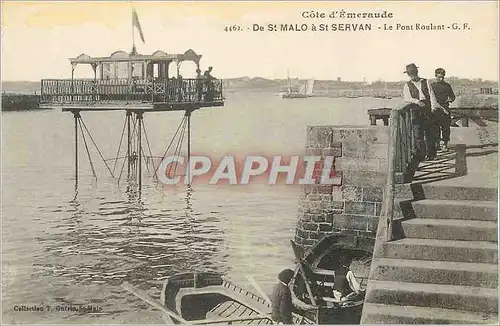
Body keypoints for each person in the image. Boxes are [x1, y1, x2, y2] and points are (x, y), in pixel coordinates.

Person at [403, 63, 440, 161]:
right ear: (408, 75)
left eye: (413, 73)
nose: (412, 76)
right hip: (416, 109)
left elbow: (432, 95)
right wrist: (416, 101)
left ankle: (432, 154)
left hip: (427, 108)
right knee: (418, 133)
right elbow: (407, 98)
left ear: (417, 72)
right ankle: (421, 155)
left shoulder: (425, 82)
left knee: (430, 132)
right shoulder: (407, 85)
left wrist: (433, 107)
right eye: (410, 74)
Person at [431, 68, 456, 151]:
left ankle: (445, 144)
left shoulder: (447, 86)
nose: (441, 79)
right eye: (439, 77)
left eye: (442, 77)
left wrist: (450, 99)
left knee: (446, 128)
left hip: (445, 108)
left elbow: (453, 96)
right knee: (435, 128)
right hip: (435, 109)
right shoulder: (432, 86)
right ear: (435, 76)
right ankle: (437, 144)